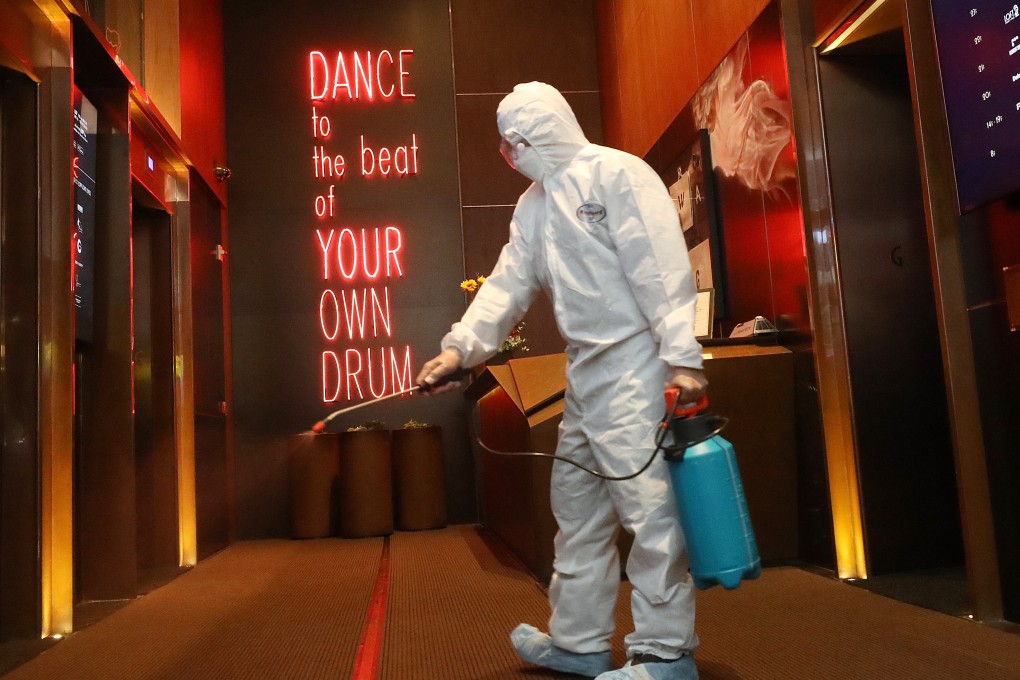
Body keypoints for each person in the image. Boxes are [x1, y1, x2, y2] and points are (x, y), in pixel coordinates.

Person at [415, 81, 707, 680]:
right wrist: (459, 351)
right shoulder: (535, 205)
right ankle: (579, 642)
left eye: (512, 143)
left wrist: (682, 359)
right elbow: (506, 284)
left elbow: (661, 270)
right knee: (577, 513)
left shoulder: (619, 177)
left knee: (650, 513)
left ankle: (665, 654)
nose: (507, 154)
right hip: (585, 376)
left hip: (636, 369)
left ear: (541, 134)